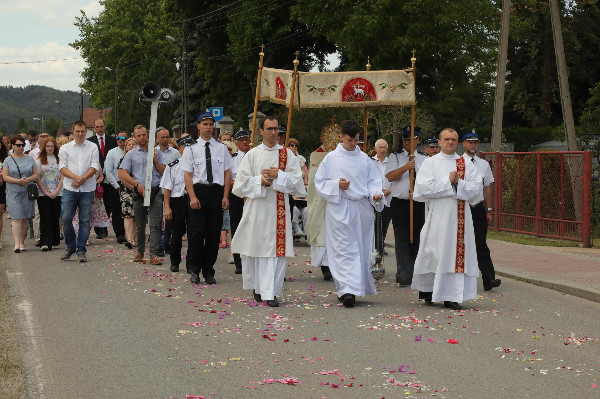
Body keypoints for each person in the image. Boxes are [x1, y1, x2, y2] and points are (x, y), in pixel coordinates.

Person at [230, 117, 306, 307]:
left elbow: (298, 184)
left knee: (275, 253)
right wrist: (260, 182)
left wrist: (278, 175)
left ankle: (270, 291)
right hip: (257, 209)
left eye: (276, 129)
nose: (273, 132)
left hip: (278, 209)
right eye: (269, 129)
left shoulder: (287, 155)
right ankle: (258, 287)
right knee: (257, 249)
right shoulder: (252, 155)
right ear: (261, 131)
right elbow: (239, 186)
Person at [412, 128, 482, 310]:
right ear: (440, 142)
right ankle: (429, 290)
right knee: (434, 253)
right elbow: (422, 190)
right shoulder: (430, 163)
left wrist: (459, 183)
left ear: (457, 142)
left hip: (460, 220)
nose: (450, 142)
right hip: (437, 216)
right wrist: (447, 181)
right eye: (447, 139)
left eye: (453, 139)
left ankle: (451, 295)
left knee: (453, 255)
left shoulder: (465, 164)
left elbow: (476, 192)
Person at [315, 120, 383, 308]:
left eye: (357, 140)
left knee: (359, 248)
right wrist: (336, 184)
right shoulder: (331, 158)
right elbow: (320, 182)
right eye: (350, 140)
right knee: (343, 249)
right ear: (342, 137)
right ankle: (346, 290)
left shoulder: (364, 159)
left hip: (361, 208)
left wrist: (375, 194)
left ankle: (352, 287)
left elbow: (373, 182)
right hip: (340, 207)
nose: (354, 143)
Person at [181, 112, 232, 285]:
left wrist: (225, 196)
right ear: (198, 126)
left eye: (211, 124)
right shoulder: (190, 149)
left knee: (213, 234)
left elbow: (227, 173)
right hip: (199, 192)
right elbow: (187, 175)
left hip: (216, 193)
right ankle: (194, 269)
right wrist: (192, 197)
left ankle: (208, 270)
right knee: (197, 233)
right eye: (205, 124)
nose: (208, 127)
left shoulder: (222, 148)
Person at [385, 126, 427, 285]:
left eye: (411, 139)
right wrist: (405, 167)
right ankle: (403, 273)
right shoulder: (395, 157)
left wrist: (418, 192)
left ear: (417, 139)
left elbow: (428, 181)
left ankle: (416, 271)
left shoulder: (425, 159)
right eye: (405, 139)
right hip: (400, 203)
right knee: (401, 238)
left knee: (418, 238)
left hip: (418, 203)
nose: (408, 142)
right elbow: (390, 177)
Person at [118, 125, 166, 265]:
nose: (142, 138)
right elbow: (122, 173)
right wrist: (136, 185)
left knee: (155, 224)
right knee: (140, 224)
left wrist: (155, 160)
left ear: (148, 135)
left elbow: (164, 172)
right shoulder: (131, 154)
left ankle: (153, 254)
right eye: (138, 135)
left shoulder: (157, 152)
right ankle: (140, 252)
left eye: (144, 135)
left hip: (155, 191)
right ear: (135, 136)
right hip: (139, 191)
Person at [461, 131, 502, 291]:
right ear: (463, 144)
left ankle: (489, 279)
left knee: (481, 244)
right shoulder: (458, 162)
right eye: (469, 142)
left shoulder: (483, 164)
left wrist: (489, 210)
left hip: (478, 208)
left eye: (475, 142)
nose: (473, 145)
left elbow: (487, 188)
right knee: (462, 245)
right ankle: (461, 280)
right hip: (462, 207)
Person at [59, 120, 99, 262]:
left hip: (87, 189)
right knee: (66, 218)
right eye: (78, 131)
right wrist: (77, 178)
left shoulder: (93, 147)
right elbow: (62, 167)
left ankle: (81, 249)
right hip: (70, 188)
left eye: (83, 131)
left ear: (85, 132)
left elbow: (95, 167)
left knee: (84, 220)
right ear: (73, 131)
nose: (80, 134)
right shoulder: (65, 148)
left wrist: (82, 179)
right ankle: (71, 246)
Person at [161, 136, 194, 273]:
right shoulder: (173, 166)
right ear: (179, 150)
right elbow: (167, 189)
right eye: (184, 147)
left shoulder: (198, 165)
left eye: (189, 147)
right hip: (178, 201)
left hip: (192, 200)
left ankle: (192, 264)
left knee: (193, 234)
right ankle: (175, 261)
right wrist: (167, 207)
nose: (186, 150)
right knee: (177, 233)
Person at [3, 136, 38, 252]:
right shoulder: (8, 160)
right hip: (13, 192)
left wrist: (26, 180)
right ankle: (16, 244)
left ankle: (22, 242)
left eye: (23, 145)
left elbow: (35, 174)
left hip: (27, 192)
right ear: (13, 146)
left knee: (25, 218)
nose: (21, 147)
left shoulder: (29, 159)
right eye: (18, 145)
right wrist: (18, 181)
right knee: (17, 217)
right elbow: (5, 177)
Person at [87, 119, 117, 239]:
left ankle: (105, 227)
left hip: (109, 177)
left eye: (101, 126)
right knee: (98, 204)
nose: (99, 129)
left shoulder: (112, 140)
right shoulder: (90, 142)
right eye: (97, 127)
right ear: (94, 128)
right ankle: (99, 230)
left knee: (108, 203)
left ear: (105, 127)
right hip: (96, 176)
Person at [229, 130, 251, 274]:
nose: (244, 142)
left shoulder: (254, 156)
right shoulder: (232, 159)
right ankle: (238, 262)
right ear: (236, 142)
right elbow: (228, 178)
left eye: (246, 139)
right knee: (236, 226)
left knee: (251, 227)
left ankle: (250, 259)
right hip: (237, 195)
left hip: (251, 194)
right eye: (241, 140)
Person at [155, 127, 180, 255]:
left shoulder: (175, 153)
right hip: (157, 187)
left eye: (167, 137)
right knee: (158, 218)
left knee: (169, 218)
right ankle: (159, 244)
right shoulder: (154, 152)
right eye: (162, 137)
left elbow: (177, 171)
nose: (165, 140)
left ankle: (166, 242)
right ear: (157, 138)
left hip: (171, 189)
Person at [35, 137, 63, 251]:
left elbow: (63, 177)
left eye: (52, 146)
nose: (50, 148)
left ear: (55, 147)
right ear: (44, 147)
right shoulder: (39, 161)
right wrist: (45, 192)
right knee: (45, 217)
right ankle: (45, 242)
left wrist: (56, 191)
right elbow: (37, 178)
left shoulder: (59, 160)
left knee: (55, 216)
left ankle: (55, 239)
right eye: (47, 146)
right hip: (43, 193)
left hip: (57, 192)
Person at [104, 131, 128, 244]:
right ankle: (119, 233)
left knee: (129, 210)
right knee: (117, 210)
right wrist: (117, 186)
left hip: (130, 184)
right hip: (115, 184)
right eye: (118, 138)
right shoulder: (111, 153)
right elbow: (108, 172)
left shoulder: (132, 152)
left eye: (123, 138)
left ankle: (130, 232)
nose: (120, 140)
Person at [372, 138, 392, 250]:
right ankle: (375, 246)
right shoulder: (370, 161)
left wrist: (390, 190)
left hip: (388, 197)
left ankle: (381, 245)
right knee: (375, 223)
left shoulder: (391, 162)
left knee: (385, 223)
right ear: (375, 149)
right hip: (375, 197)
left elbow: (396, 179)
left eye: (384, 147)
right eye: (380, 147)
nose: (382, 149)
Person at [118, 138, 138, 248]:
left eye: (133, 144)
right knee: (128, 216)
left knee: (137, 216)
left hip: (139, 189)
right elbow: (120, 175)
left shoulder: (141, 158)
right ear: (126, 147)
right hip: (127, 190)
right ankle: (129, 239)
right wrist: (131, 185)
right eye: (129, 144)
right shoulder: (123, 159)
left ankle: (134, 239)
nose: (131, 146)